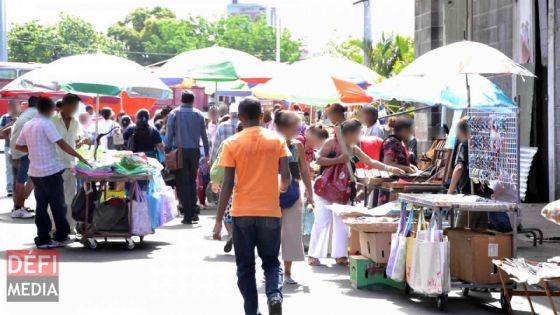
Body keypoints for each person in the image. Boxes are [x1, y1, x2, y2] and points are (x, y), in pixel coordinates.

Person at [213, 97, 291, 315]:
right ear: (260, 116)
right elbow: (286, 176)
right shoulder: (277, 140)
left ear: (241, 116)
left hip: (242, 212)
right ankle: (274, 295)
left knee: (245, 267)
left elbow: (227, 183)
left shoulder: (232, 143)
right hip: (269, 211)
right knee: (271, 262)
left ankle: (251, 311)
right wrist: (280, 189)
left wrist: (219, 221)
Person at [308, 119, 405, 266]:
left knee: (341, 223)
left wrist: (391, 169)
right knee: (322, 221)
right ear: (351, 133)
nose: (360, 135)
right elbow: (319, 160)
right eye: (358, 132)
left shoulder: (353, 148)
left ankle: (340, 255)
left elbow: (370, 161)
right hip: (326, 188)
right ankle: (313, 255)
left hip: (343, 190)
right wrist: (339, 160)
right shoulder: (331, 142)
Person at [16, 97, 90, 248]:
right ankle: (60, 236)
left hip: (35, 172)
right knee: (59, 206)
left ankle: (43, 239)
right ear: (50, 110)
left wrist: (34, 150)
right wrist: (80, 156)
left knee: (41, 206)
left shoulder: (28, 124)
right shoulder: (47, 123)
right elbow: (62, 144)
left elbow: (19, 145)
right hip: (51, 171)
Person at [274, 111, 314, 285]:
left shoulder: (297, 145)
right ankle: (271, 270)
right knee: (271, 235)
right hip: (271, 194)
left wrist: (310, 193)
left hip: (293, 192)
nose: (298, 129)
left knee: (291, 233)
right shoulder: (270, 143)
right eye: (294, 126)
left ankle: (288, 273)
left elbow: (304, 169)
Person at [165, 90, 209, 224]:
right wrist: (206, 153)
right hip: (195, 151)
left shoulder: (174, 113)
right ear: (193, 101)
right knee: (191, 181)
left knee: (182, 182)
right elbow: (204, 136)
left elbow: (169, 136)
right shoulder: (199, 114)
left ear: (181, 100)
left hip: (180, 152)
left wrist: (167, 150)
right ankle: (193, 211)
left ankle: (188, 215)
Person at [53, 94, 90, 233]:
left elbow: (76, 142)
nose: (75, 109)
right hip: (54, 165)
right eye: (74, 106)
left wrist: (83, 142)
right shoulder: (52, 121)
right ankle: (54, 227)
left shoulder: (75, 122)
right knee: (56, 199)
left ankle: (70, 227)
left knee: (70, 198)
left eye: (76, 107)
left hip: (71, 165)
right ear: (66, 105)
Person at [10, 96, 38, 219]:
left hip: (17, 150)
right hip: (23, 151)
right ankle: (18, 208)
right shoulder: (36, 114)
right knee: (24, 179)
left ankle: (20, 205)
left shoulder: (26, 113)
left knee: (25, 179)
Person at [1, 100, 21, 197]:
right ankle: (10, 188)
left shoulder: (22, 117)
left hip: (21, 147)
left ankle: (20, 188)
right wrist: (11, 124)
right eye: (11, 106)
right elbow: (1, 132)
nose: (13, 108)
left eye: (15, 105)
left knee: (21, 169)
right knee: (9, 168)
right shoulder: (4, 117)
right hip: (8, 146)